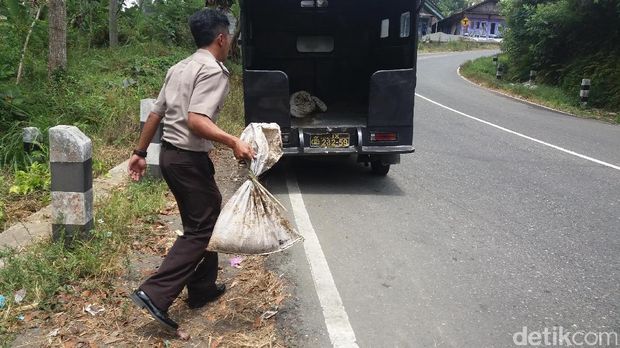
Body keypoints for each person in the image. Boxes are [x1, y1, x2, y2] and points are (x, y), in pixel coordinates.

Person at [127, 8, 255, 331]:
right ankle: (155, 293)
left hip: (170, 159)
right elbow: (196, 121)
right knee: (203, 227)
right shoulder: (213, 71)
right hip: (188, 160)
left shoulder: (179, 67)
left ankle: (202, 288)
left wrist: (139, 152)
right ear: (221, 38)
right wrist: (233, 142)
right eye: (229, 38)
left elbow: (156, 114)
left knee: (203, 216)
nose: (229, 44)